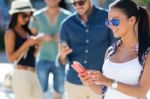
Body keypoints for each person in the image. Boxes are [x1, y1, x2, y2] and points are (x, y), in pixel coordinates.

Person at [79, 0, 150, 99]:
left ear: (131, 20)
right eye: (108, 22)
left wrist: (108, 81)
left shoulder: (147, 52)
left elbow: (141, 92)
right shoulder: (111, 50)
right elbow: (103, 90)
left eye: (115, 21)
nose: (111, 26)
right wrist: (88, 82)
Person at [56, 0, 115, 99]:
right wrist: (62, 55)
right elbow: (61, 61)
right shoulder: (66, 24)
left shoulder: (107, 18)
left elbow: (116, 48)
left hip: (100, 82)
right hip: (74, 83)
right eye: (74, 4)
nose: (77, 6)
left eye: (81, 2)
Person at [29, 0, 71, 99]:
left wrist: (62, 37)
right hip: (42, 58)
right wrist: (41, 37)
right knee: (39, 92)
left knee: (59, 93)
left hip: (60, 60)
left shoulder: (67, 16)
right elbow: (30, 37)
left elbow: (72, 37)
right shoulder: (36, 16)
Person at [5, 0, 44, 99]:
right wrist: (27, 44)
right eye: (24, 15)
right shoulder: (10, 32)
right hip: (20, 75)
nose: (27, 18)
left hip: (33, 74)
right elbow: (11, 58)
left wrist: (39, 45)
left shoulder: (27, 31)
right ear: (15, 15)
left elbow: (33, 55)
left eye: (29, 15)